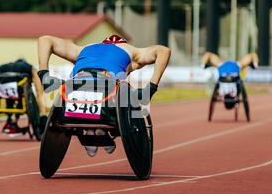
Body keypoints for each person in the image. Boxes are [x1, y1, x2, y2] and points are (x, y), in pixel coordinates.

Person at [37, 34, 172, 157]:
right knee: (120, 94)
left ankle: (89, 128)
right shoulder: (131, 51)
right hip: (107, 86)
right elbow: (164, 51)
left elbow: (45, 39)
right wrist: (151, 88)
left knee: (83, 89)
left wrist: (43, 74)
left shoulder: (83, 49)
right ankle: (100, 128)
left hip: (75, 85)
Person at [0, 58, 48, 135]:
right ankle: (44, 119)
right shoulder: (29, 67)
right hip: (20, 82)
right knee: (40, 93)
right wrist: (43, 115)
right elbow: (39, 92)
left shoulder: (3, 67)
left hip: (2, 78)